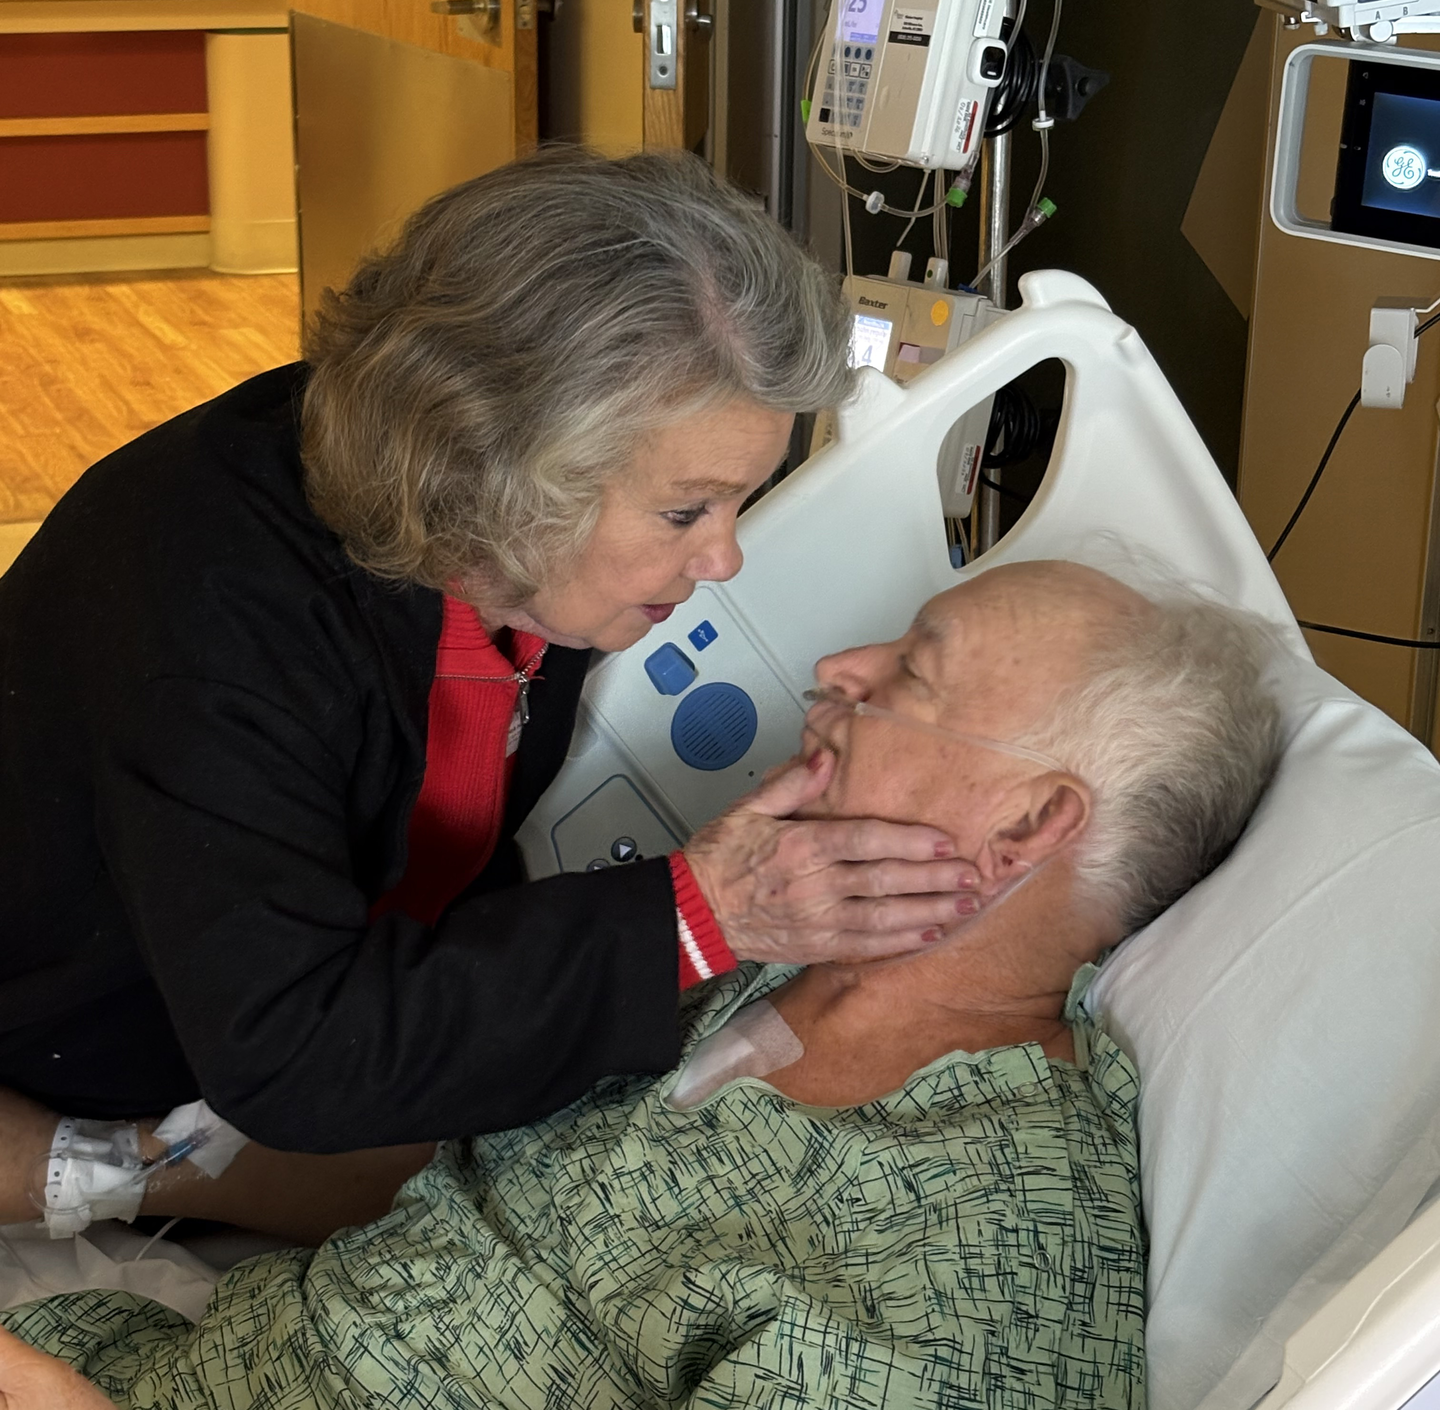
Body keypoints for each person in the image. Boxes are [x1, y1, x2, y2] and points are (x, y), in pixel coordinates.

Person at [0, 560, 1284, 1410]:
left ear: (1024, 829)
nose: (841, 664)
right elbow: (471, 1200)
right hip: (176, 1363)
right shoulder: (747, 975)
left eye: (914, 674)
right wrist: (84, 1167)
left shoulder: (981, 1257)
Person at [0, 149, 983, 1199]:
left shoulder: (505, 561)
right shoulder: (202, 600)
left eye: (742, 500)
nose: (723, 559)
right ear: (502, 472)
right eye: (686, 510)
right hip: (79, 1037)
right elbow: (291, 1053)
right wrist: (698, 916)